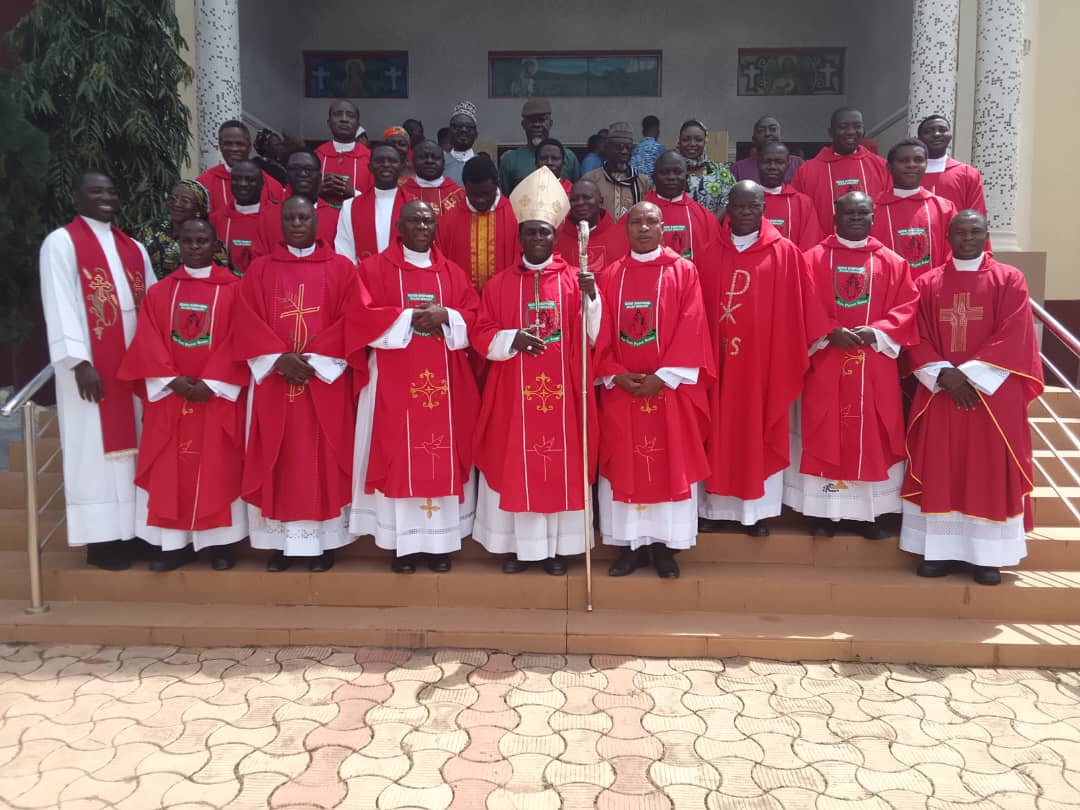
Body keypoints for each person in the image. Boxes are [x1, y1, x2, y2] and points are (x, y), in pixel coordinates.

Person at [232, 196, 391, 572]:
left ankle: (325, 543)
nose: (298, 223)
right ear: (280, 223)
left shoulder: (340, 268)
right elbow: (246, 318)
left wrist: (316, 360)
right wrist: (278, 359)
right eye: (290, 218)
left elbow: (354, 318)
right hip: (274, 379)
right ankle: (278, 543)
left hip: (325, 379)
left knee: (324, 455)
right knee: (279, 454)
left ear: (317, 222)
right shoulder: (259, 270)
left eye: (304, 217)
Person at [900, 211, 1043, 585]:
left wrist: (970, 377)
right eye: (960, 231)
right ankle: (939, 552)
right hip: (942, 392)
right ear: (947, 236)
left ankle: (987, 557)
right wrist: (944, 375)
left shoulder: (1009, 279)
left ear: (986, 235)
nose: (968, 237)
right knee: (941, 465)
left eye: (975, 231)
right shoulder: (928, 282)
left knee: (988, 469)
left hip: (991, 397)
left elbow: (1015, 333)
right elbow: (917, 334)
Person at [472, 168, 601, 574]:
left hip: (563, 394)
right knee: (514, 465)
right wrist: (512, 339)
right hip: (515, 395)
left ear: (554, 235)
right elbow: (482, 332)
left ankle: (560, 549)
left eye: (544, 232)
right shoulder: (498, 285)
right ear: (520, 237)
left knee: (559, 468)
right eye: (530, 232)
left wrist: (592, 298)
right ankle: (518, 547)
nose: (538, 239)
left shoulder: (572, 282)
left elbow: (594, 336)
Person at [350, 201, 481, 573]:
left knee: (440, 456)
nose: (421, 226)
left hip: (445, 383)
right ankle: (401, 543)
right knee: (397, 453)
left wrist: (449, 316)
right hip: (393, 381)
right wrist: (409, 317)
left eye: (427, 220)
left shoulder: (452, 274)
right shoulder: (373, 270)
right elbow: (360, 317)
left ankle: (439, 543)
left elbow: (475, 316)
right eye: (414, 220)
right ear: (399, 226)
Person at [783, 192, 918, 538]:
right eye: (849, 212)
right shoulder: (812, 258)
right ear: (835, 216)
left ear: (873, 216)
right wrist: (829, 331)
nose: (856, 218)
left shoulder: (892, 262)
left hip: (874, 363)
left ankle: (865, 515)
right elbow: (801, 304)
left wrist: (878, 332)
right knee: (824, 429)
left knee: (872, 432)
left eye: (863, 212)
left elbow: (907, 307)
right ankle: (824, 514)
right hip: (827, 360)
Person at [117, 218, 248, 571]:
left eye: (202, 240)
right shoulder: (159, 292)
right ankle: (173, 546)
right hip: (171, 398)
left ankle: (220, 546)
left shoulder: (236, 290)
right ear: (178, 244)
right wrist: (172, 380)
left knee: (219, 468)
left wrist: (213, 382)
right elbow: (146, 341)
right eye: (188, 240)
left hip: (215, 397)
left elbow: (241, 338)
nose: (194, 246)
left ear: (215, 244)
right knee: (170, 470)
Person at [40, 169, 154, 569]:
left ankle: (133, 531)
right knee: (94, 452)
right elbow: (60, 303)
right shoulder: (62, 243)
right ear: (78, 198)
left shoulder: (133, 248)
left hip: (132, 364)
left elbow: (152, 306)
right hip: (91, 368)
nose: (104, 197)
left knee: (138, 448)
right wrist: (79, 361)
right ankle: (100, 542)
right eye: (95, 191)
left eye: (109, 190)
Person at [594, 201, 713, 578]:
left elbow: (693, 325)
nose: (643, 229)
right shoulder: (611, 275)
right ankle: (631, 547)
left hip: (669, 391)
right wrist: (615, 373)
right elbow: (599, 333)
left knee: (669, 463)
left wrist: (664, 376)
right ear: (625, 230)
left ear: (663, 228)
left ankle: (665, 548)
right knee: (627, 464)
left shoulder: (683, 271)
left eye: (650, 222)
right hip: (623, 390)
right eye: (636, 223)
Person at [698, 181, 820, 536]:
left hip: (763, 368)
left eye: (754, 206)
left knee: (757, 429)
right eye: (739, 206)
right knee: (718, 433)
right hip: (719, 366)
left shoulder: (785, 253)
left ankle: (757, 513)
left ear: (764, 208)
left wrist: (782, 359)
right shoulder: (707, 255)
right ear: (729, 208)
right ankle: (712, 510)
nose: (746, 213)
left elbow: (798, 314)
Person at [870, 138, 957, 279]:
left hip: (931, 293)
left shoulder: (945, 209)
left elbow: (952, 254)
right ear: (889, 167)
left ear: (926, 165)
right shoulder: (872, 210)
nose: (911, 165)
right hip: (889, 293)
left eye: (918, 160)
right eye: (904, 161)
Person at [793, 107, 890, 233]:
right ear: (830, 132)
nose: (851, 132)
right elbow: (799, 213)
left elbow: (890, 211)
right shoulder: (807, 170)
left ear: (864, 131)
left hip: (872, 247)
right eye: (843, 126)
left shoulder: (882, 166)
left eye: (857, 126)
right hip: (825, 248)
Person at [437, 155, 519, 291]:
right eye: (474, 194)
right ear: (465, 188)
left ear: (496, 184)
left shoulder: (516, 216)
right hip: (462, 301)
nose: (481, 200)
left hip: (504, 297)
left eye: (486, 193)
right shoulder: (447, 222)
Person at [254, 148, 342, 257]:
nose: (302, 174)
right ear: (286, 175)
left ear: (320, 177)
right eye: (295, 168)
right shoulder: (268, 216)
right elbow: (259, 261)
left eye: (309, 169)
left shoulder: (337, 218)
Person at [135, 180, 230, 280]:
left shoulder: (207, 239)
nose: (176, 204)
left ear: (199, 208)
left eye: (185, 201)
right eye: (173, 199)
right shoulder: (151, 229)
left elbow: (219, 276)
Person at [335, 143, 415, 262]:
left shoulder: (414, 206)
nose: (386, 165)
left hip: (403, 277)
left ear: (401, 167)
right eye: (379, 160)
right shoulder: (350, 206)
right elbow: (344, 252)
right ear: (370, 167)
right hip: (362, 278)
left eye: (392, 161)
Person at [644, 151, 719, 261]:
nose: (671, 177)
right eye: (664, 172)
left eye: (677, 172)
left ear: (686, 177)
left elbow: (714, 259)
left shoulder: (705, 218)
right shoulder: (638, 214)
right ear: (654, 177)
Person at [196, 120, 284, 213]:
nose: (234, 149)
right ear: (220, 146)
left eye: (240, 144)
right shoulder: (204, 184)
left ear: (249, 146)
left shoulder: (271, 185)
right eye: (228, 144)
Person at [498, 98, 581, 194]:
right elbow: (504, 200)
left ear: (550, 123)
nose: (537, 125)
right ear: (523, 125)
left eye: (542, 120)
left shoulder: (569, 157)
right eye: (531, 121)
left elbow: (578, 195)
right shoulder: (510, 160)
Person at [916, 115, 988, 216]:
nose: (936, 134)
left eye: (942, 130)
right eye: (929, 131)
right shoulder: (908, 173)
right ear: (919, 138)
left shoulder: (968, 173)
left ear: (950, 135)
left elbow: (976, 215)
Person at [758, 142, 824, 251]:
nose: (772, 167)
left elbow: (810, 246)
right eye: (767, 161)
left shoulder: (803, 203)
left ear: (788, 166)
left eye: (779, 162)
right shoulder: (745, 201)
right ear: (758, 163)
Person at [555, 179, 630, 274]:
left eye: (587, 197)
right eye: (574, 199)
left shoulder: (623, 236)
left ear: (601, 201)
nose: (580, 203)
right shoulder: (557, 239)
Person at [582, 121, 651, 222]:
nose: (624, 151)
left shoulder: (641, 181)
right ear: (607, 148)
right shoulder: (591, 179)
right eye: (619, 147)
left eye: (628, 148)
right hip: (601, 236)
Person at [209, 159, 263, 275]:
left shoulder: (275, 218)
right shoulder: (215, 220)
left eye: (250, 180)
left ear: (262, 183)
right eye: (237, 179)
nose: (242, 184)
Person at [314, 100, 372, 200]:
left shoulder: (370, 158)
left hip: (358, 214)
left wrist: (353, 193)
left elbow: (377, 197)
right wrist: (317, 191)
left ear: (358, 124)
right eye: (337, 114)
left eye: (350, 115)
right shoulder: (316, 157)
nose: (344, 119)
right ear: (329, 122)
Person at [677, 120, 736, 218]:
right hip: (681, 231)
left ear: (705, 141)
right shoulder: (671, 171)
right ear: (679, 141)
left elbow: (730, 200)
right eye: (686, 139)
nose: (692, 143)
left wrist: (710, 225)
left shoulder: (720, 171)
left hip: (715, 230)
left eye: (698, 139)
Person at [730, 116, 805, 184]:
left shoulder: (798, 163)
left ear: (781, 136)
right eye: (761, 130)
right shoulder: (737, 169)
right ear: (753, 139)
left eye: (773, 129)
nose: (767, 133)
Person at [401, 139, 464, 216]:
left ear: (443, 163)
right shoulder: (402, 193)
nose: (429, 161)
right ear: (413, 162)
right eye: (423, 157)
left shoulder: (459, 194)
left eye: (435, 158)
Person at [444, 100, 479, 186]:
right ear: (449, 133)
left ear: (476, 134)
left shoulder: (485, 165)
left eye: (469, 127)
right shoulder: (439, 164)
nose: (463, 130)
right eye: (457, 126)